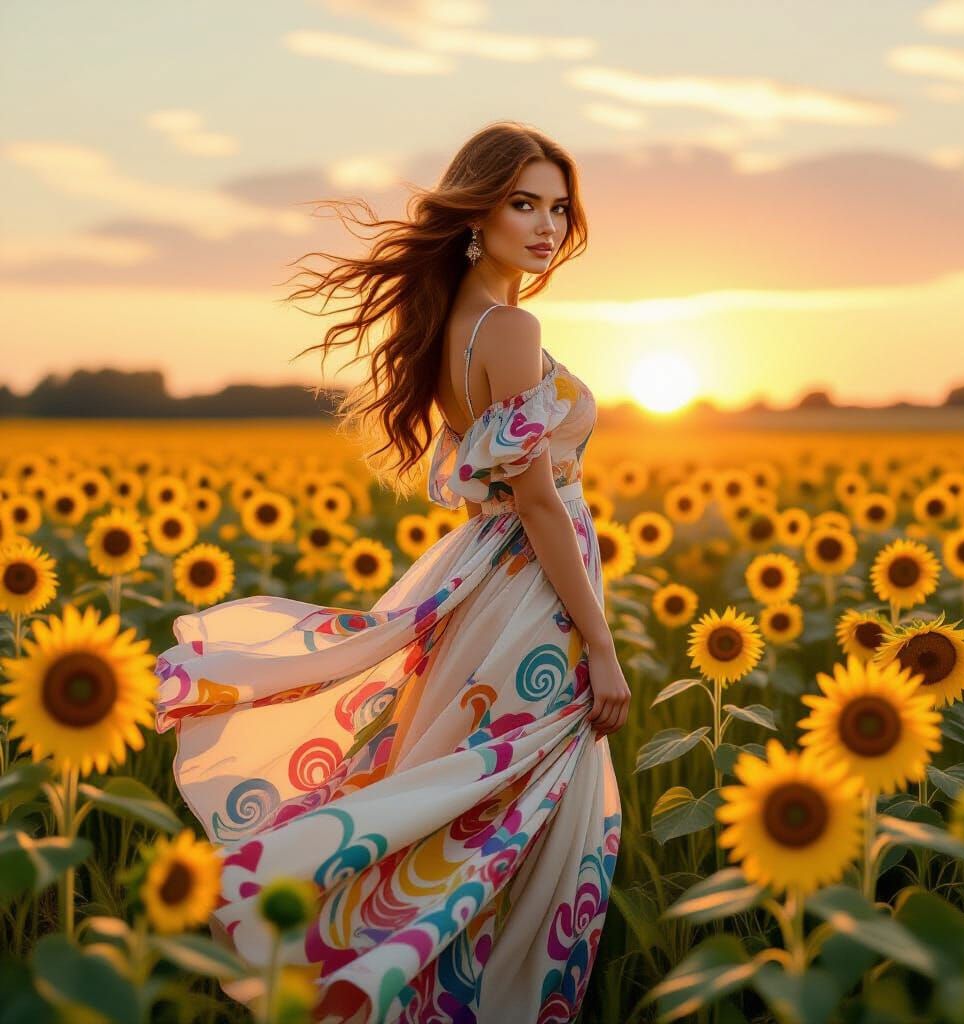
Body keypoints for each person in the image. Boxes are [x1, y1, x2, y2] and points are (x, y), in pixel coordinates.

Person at [154, 120, 630, 1024]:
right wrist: (601, 648)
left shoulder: (456, 324)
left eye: (558, 208)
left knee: (468, 805)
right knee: (526, 820)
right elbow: (537, 502)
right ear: (477, 213)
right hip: (533, 595)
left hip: (485, 580)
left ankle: (399, 983)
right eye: (523, 203)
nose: (546, 226)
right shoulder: (510, 326)